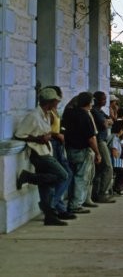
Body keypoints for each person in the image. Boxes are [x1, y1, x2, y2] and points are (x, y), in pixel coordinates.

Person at [14, 88, 70, 226]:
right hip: (39, 153)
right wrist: (39, 139)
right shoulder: (33, 116)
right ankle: (29, 177)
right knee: (63, 175)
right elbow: (19, 134)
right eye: (55, 101)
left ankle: (49, 216)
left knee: (47, 186)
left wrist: (50, 135)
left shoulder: (46, 114)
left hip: (46, 151)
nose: (57, 103)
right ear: (49, 102)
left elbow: (46, 131)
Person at [40, 86, 76, 221]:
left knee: (65, 174)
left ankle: (58, 207)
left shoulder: (54, 111)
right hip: (53, 144)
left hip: (59, 145)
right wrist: (57, 135)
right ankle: (52, 205)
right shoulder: (48, 112)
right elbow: (46, 129)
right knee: (63, 175)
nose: (58, 101)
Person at [63, 91, 101, 213]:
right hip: (82, 150)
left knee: (72, 177)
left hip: (69, 149)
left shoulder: (69, 113)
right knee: (81, 178)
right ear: (89, 102)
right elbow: (91, 138)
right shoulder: (85, 116)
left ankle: (71, 202)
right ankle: (75, 204)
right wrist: (98, 153)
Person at [90, 91, 115, 204]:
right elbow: (105, 124)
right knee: (108, 167)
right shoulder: (95, 111)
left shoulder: (100, 111)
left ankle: (96, 192)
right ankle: (102, 192)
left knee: (100, 169)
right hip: (99, 141)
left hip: (103, 139)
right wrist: (107, 122)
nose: (105, 101)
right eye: (103, 99)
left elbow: (111, 120)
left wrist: (107, 121)